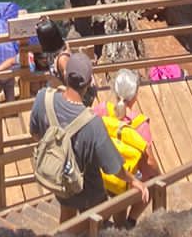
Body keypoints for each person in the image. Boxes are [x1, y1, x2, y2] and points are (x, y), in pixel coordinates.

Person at [30, 52, 148, 220]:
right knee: (93, 223)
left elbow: (35, 134)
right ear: (88, 84)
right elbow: (114, 168)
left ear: (65, 75)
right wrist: (134, 181)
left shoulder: (43, 98)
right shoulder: (92, 123)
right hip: (86, 188)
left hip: (57, 175)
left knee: (67, 211)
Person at [99, 69, 159, 197]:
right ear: (135, 95)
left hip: (101, 172)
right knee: (152, 182)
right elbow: (149, 162)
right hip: (126, 181)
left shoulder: (101, 109)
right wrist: (160, 175)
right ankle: (130, 218)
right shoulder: (140, 125)